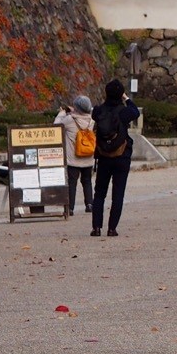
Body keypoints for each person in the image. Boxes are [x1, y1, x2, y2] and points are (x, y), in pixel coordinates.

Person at [90, 79, 141, 237]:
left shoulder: (98, 111)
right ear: (120, 94)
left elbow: (94, 114)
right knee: (118, 193)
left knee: (99, 193)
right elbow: (136, 111)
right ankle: (112, 228)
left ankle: (96, 227)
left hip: (103, 156)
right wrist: (126, 99)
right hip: (121, 156)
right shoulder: (124, 112)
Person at [53, 95, 95, 216]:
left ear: (76, 107)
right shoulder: (92, 120)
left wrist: (62, 113)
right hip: (88, 156)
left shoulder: (69, 120)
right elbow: (81, 116)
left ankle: (70, 207)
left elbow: (56, 126)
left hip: (73, 158)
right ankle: (89, 204)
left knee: (72, 182)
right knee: (87, 181)